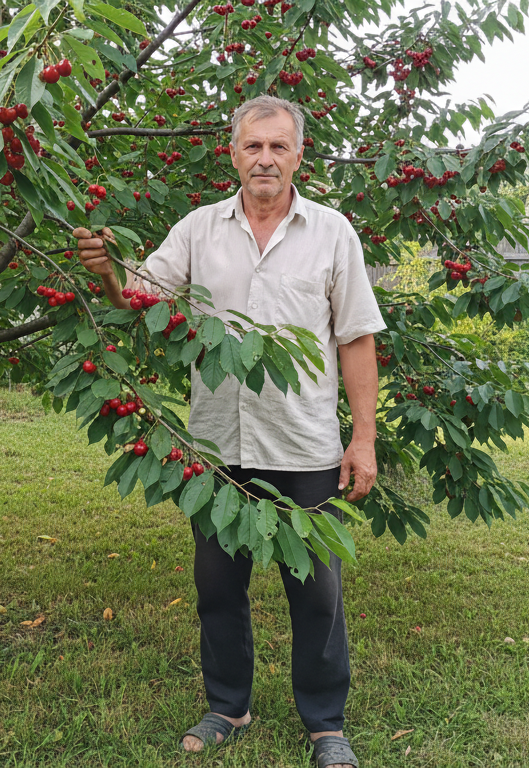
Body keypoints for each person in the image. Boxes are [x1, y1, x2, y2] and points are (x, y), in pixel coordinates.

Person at [72, 95, 384, 768]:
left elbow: (357, 337)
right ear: (233, 154)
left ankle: (325, 723)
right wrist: (107, 273)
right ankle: (228, 705)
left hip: (304, 444)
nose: (265, 158)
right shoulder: (198, 230)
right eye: (253, 146)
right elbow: (142, 296)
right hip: (214, 449)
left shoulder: (333, 233)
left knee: (317, 592)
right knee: (217, 587)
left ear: (298, 155)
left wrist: (362, 439)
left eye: (278, 146)